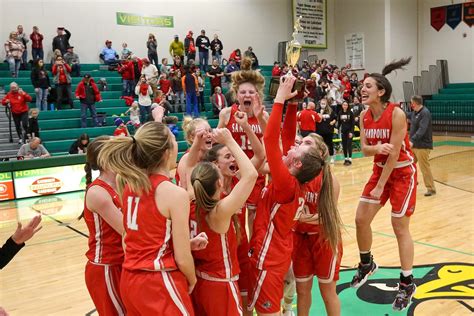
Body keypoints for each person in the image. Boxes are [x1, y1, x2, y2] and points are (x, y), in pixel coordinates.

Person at [98, 122, 196, 315]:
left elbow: (134, 238)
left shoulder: (128, 187)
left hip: (130, 280)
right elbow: (183, 259)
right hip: (158, 281)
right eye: (174, 140)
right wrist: (191, 279)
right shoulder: (174, 193)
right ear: (166, 152)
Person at [247, 76, 325, 315]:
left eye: (303, 145)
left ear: (298, 163)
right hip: (278, 252)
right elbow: (287, 137)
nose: (296, 142)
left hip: (267, 259)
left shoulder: (286, 184)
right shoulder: (293, 180)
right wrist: (292, 104)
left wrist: (279, 98)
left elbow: (271, 140)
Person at [350, 58, 417, 312]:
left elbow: (394, 153)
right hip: (379, 170)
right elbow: (365, 149)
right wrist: (376, 147)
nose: (362, 89)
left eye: (368, 86)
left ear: (381, 91)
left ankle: (407, 282)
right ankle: (367, 263)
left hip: (401, 172)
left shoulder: (397, 114)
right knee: (360, 219)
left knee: (399, 226)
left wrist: (381, 186)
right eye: (362, 86)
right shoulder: (364, 117)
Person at [187, 126, 259, 316]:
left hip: (200, 281)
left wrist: (196, 143)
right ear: (219, 183)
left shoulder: (189, 201)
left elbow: (187, 166)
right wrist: (229, 140)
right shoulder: (218, 211)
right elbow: (251, 175)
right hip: (220, 284)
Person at [292, 133, 343, 316]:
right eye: (301, 142)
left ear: (321, 153)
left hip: (324, 239)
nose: (301, 144)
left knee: (327, 291)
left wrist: (304, 218)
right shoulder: (295, 174)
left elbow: (329, 218)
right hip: (299, 239)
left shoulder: (329, 181)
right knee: (302, 290)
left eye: (307, 142)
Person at [218, 58, 269, 236]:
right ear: (236, 94)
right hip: (233, 173)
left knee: (254, 216)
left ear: (257, 95)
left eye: (251, 92)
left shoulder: (264, 115)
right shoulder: (226, 113)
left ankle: (253, 252)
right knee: (234, 215)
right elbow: (217, 144)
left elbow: (268, 148)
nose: (247, 95)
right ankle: (238, 252)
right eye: (243, 92)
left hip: (256, 172)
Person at [80, 136, 125, 315]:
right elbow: (128, 229)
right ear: (107, 158)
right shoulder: (98, 192)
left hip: (123, 262)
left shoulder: (121, 184)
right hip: (106, 267)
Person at [409, 95, 436, 196]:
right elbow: (407, 115)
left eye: (411, 102)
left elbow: (422, 129)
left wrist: (412, 139)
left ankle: (431, 189)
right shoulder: (415, 113)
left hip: (423, 145)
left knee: (424, 167)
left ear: (414, 103)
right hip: (415, 145)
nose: (410, 104)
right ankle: (413, 181)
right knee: (409, 164)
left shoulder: (425, 113)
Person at [316, 98, 337, 163]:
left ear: (326, 104)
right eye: (322, 103)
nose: (323, 105)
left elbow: (335, 118)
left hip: (329, 131)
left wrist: (333, 122)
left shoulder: (330, 110)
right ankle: (322, 158)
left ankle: (332, 157)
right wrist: (321, 114)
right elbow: (317, 120)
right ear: (320, 104)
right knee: (321, 145)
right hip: (320, 131)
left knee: (329, 144)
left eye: (324, 104)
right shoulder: (317, 111)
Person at [338, 101, 355, 165]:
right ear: (342, 106)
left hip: (349, 131)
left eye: (346, 105)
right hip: (343, 131)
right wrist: (337, 128)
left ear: (348, 106)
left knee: (349, 144)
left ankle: (350, 158)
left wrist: (351, 132)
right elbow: (339, 122)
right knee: (344, 145)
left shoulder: (350, 113)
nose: (345, 106)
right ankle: (345, 159)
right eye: (344, 105)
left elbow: (353, 123)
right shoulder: (340, 113)